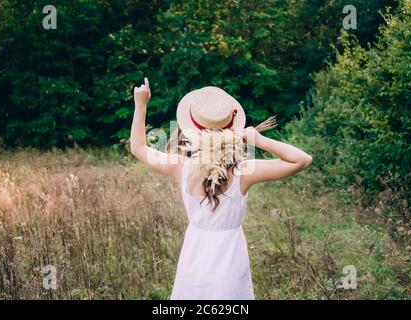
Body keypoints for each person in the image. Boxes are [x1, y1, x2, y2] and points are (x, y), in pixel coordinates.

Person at [130, 77, 312, 299]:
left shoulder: (181, 167)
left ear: (191, 131)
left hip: (194, 258)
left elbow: (138, 147)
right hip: (230, 261)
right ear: (232, 130)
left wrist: (141, 105)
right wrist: (259, 140)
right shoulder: (244, 171)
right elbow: (302, 160)